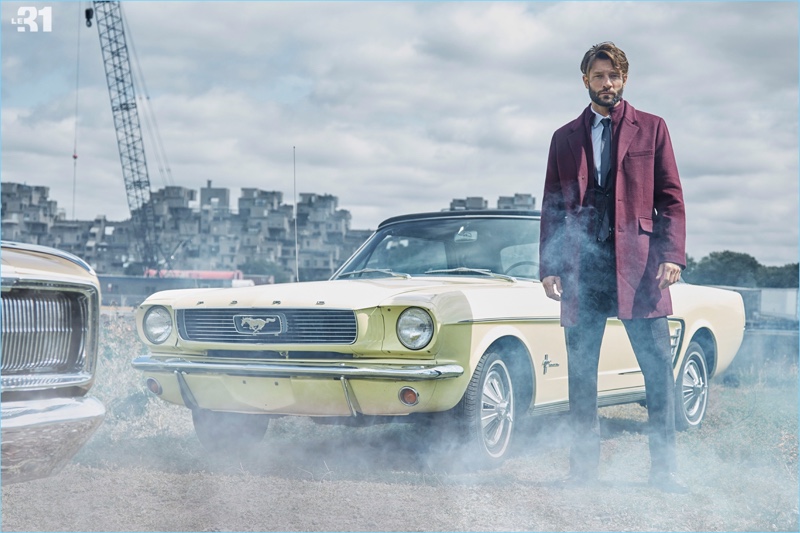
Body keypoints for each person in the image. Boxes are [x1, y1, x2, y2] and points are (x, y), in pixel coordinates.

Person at [538, 42, 687, 493]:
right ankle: (582, 474)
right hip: (584, 268)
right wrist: (549, 265)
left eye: (615, 76)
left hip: (641, 269)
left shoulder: (653, 128)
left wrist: (672, 256)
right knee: (581, 377)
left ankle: (664, 474)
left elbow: (672, 199)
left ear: (624, 80)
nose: (609, 84)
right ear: (585, 80)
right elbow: (552, 204)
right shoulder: (563, 137)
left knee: (658, 374)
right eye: (600, 76)